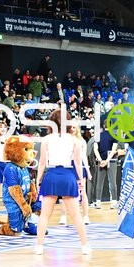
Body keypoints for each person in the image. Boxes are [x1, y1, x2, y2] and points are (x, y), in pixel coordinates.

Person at [34, 108, 91, 255]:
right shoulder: (74, 140)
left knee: (45, 214)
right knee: (76, 215)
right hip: (67, 175)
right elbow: (78, 163)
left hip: (52, 174)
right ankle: (85, 246)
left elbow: (41, 163)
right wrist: (80, 181)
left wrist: (38, 179)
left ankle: (39, 246)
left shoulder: (46, 139)